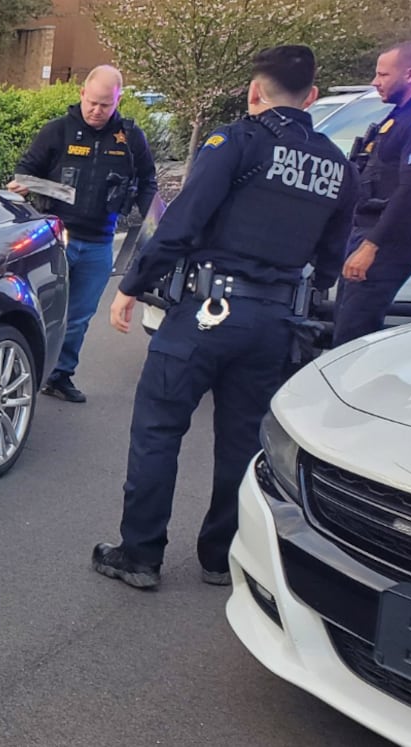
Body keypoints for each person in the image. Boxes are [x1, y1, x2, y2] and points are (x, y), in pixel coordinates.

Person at [94, 45, 359, 590]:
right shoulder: (337, 165)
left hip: (206, 311)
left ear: (254, 92)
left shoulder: (235, 141)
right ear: (311, 97)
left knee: (158, 429)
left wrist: (134, 285)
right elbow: (332, 259)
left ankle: (140, 555)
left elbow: (183, 221)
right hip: (275, 323)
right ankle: (220, 555)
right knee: (242, 441)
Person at [8, 65, 158, 403]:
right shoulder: (57, 132)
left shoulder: (131, 138)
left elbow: (148, 181)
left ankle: (59, 376)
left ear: (118, 99)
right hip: (56, 236)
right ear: (81, 95)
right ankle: (23, 375)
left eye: (105, 105)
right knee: (41, 312)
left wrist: (156, 220)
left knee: (78, 318)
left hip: (99, 243)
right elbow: (24, 173)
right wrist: (52, 189)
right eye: (92, 102)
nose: (96, 110)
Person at [330, 41, 411, 347]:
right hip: (368, 231)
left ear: (410, 74)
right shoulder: (400, 116)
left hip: (389, 239)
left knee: (353, 339)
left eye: (383, 74)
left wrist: (371, 246)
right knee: (345, 328)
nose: (375, 81)